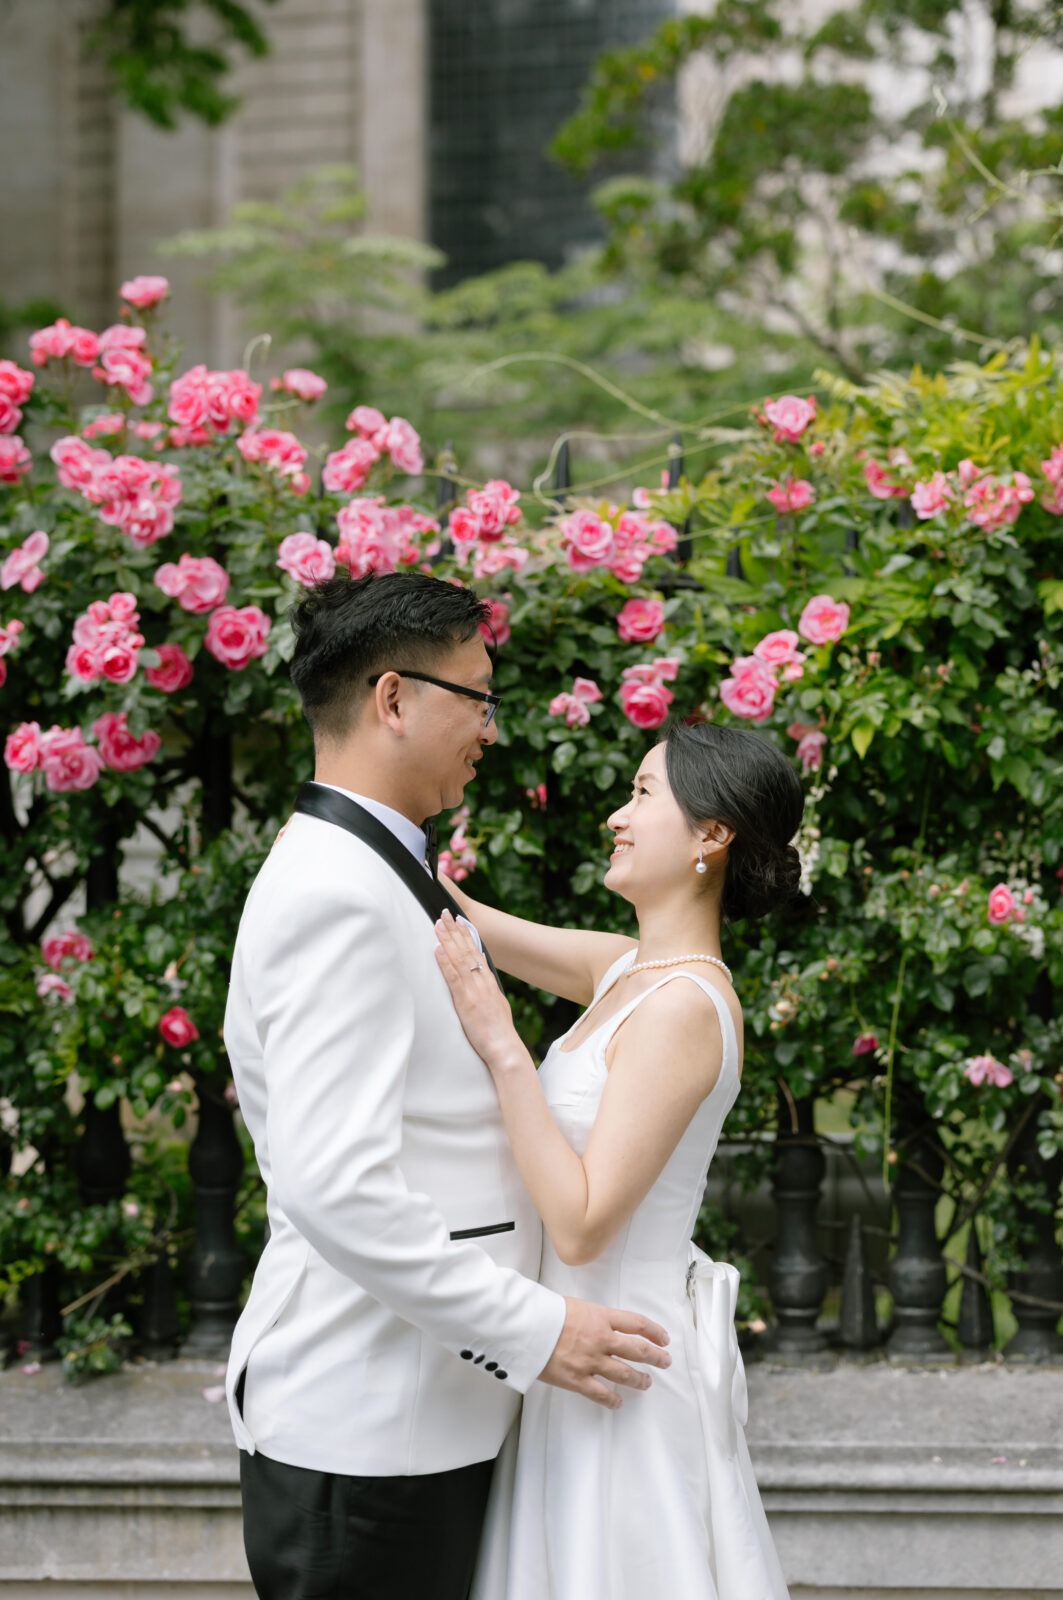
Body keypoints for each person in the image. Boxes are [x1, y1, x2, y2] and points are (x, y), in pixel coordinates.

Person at [222, 571, 671, 1600]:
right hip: (372, 1429)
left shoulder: (381, 871)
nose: (492, 728)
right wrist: (536, 1329)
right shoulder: (334, 893)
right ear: (392, 698)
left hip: (423, 1415)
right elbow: (337, 1187)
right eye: (477, 697)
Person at [433, 719, 802, 1600]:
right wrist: (357, 832)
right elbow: (467, 923)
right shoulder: (627, 970)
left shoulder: (682, 1005)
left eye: (641, 795)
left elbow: (584, 1221)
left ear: (711, 835)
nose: (615, 817)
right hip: (570, 1362)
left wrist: (505, 1048)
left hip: (621, 1379)